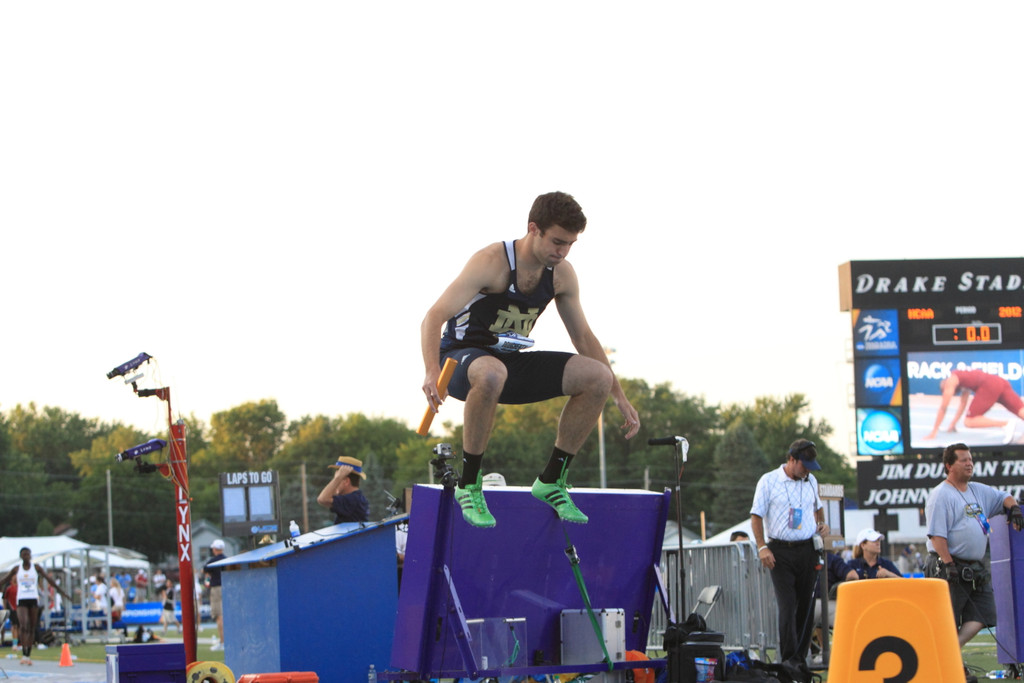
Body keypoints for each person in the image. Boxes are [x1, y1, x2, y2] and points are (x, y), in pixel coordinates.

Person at [420, 191, 640, 528]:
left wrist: (619, 395)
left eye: (570, 244)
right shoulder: (491, 262)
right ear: (533, 228)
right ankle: (470, 483)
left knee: (597, 376)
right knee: (492, 372)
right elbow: (432, 317)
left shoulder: (562, 274)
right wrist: (432, 372)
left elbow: (583, 337)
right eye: (556, 241)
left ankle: (552, 480)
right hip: (461, 361)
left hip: (508, 366)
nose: (562, 252)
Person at [925, 443, 1024, 650]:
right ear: (949, 465)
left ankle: (950, 651)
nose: (969, 464)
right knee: (948, 620)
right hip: (948, 564)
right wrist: (949, 564)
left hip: (974, 567)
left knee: (985, 613)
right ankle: (946, 663)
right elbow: (937, 536)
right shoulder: (941, 494)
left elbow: (1003, 496)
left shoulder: (977, 490)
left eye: (970, 459)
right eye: (963, 460)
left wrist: (1013, 508)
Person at [750, 439, 829, 671]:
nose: (807, 471)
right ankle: (788, 659)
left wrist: (821, 523)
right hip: (780, 551)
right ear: (791, 460)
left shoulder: (811, 480)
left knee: (806, 606)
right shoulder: (769, 481)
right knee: (787, 606)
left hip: (807, 549)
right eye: (804, 465)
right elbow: (756, 515)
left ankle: (800, 659)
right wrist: (762, 546)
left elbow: (818, 507)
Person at [0, 547, 70, 666]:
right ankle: (23, 652)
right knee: (24, 624)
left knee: (32, 626)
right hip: (21, 599)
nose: (26, 556)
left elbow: (49, 580)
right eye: (24, 554)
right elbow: (5, 579)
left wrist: (61, 592)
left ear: (30, 555)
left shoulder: (36, 568)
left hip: (33, 598)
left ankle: (28, 654)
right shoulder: (17, 569)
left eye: (28, 554)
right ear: (21, 556)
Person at [925, 369, 1024, 443]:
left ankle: (1005, 424)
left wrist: (934, 430)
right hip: (1000, 381)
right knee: (1021, 411)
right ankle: (1006, 424)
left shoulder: (951, 381)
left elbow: (943, 407)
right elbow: (962, 405)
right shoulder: (963, 380)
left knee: (969, 421)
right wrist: (952, 424)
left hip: (989, 385)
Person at [317, 455, 370, 523]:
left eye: (336, 479)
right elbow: (331, 496)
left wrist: (338, 478)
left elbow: (322, 499)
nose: (335, 482)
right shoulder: (356, 498)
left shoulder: (352, 500)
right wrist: (339, 478)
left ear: (346, 481)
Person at [203, 539, 227, 650]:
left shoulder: (212, 562)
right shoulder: (227, 559)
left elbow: (205, 570)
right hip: (228, 588)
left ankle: (222, 642)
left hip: (217, 589)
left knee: (219, 617)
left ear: (215, 549)